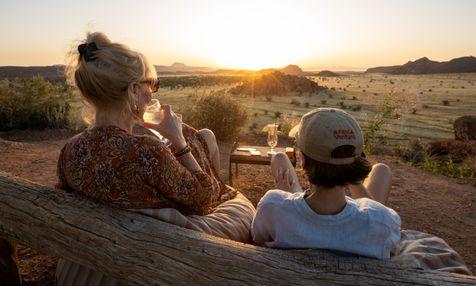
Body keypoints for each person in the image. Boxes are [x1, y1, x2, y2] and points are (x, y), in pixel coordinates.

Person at [56, 32, 255, 285]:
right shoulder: (145, 151)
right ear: (134, 90)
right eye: (151, 84)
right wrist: (180, 141)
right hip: (159, 248)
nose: (152, 94)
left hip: (97, 247)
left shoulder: (70, 149)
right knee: (227, 184)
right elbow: (205, 199)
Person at [251, 108, 401, 260]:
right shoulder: (381, 220)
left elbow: (257, 239)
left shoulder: (272, 206)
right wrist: (347, 169)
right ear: (357, 160)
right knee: (382, 170)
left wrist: (287, 197)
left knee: (279, 158)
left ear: (302, 159)